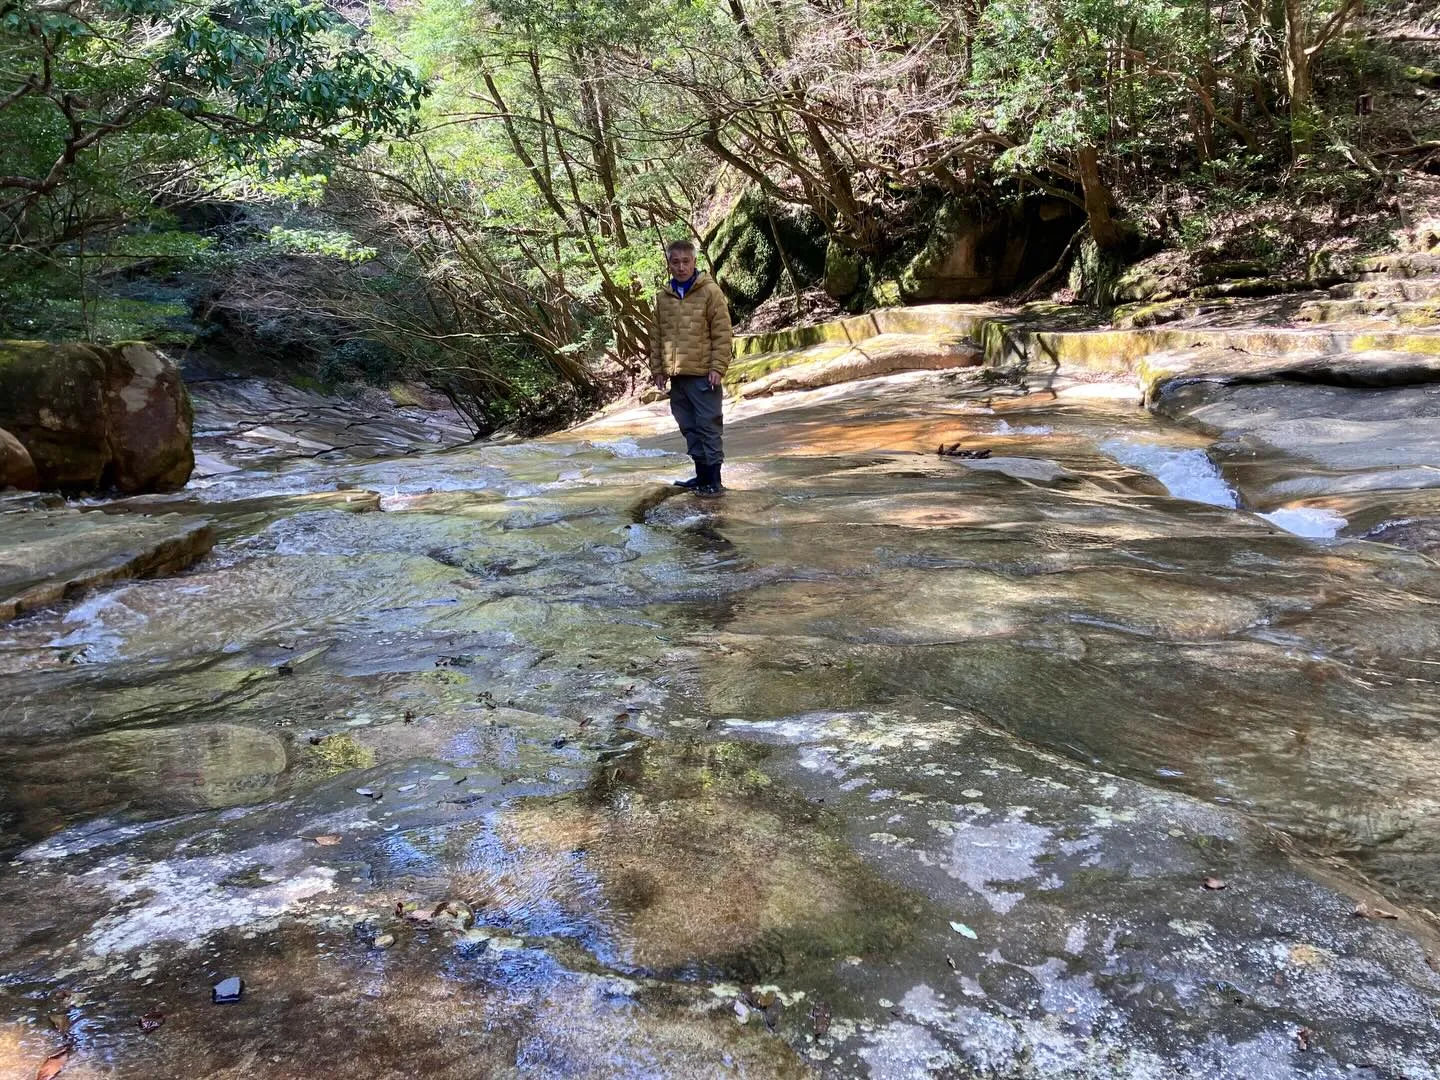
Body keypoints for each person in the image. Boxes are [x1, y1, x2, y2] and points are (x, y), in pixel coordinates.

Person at [649, 238, 732, 498]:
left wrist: (718, 367)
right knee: (689, 426)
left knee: (709, 426)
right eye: (676, 262)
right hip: (677, 376)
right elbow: (657, 335)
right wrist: (658, 368)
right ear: (669, 265)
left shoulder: (710, 292)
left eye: (686, 261)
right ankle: (701, 476)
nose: (681, 267)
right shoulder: (663, 297)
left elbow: (722, 333)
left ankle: (714, 481)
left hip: (703, 374)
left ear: (694, 262)